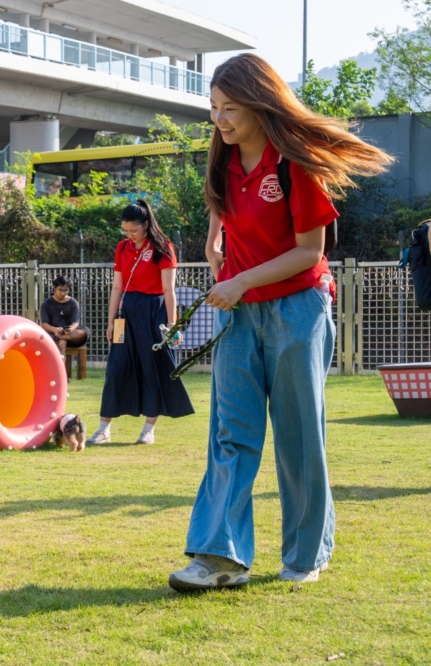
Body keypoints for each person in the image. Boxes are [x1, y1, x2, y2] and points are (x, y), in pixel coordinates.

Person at [168, 54, 392, 591]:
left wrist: (241, 281)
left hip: (298, 308)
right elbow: (222, 204)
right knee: (230, 433)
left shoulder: (296, 163)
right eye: (214, 108)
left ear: (260, 104)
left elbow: (309, 251)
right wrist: (214, 237)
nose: (220, 120)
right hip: (239, 314)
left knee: (298, 436)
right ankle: (218, 558)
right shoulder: (222, 160)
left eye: (231, 109)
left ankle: (306, 553)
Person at [88, 200, 194, 446]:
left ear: (146, 224)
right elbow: (117, 286)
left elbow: (169, 291)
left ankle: (148, 429)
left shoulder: (163, 248)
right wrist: (111, 321)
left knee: (152, 368)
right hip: (125, 315)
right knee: (115, 367)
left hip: (153, 312)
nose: (130, 235)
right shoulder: (123, 248)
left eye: (133, 230)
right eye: (125, 231)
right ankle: (104, 428)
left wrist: (172, 325)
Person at [39, 276, 89, 362]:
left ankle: (61, 336)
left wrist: (71, 329)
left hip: (70, 335)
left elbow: (75, 322)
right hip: (53, 334)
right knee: (61, 342)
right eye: (60, 290)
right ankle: (61, 372)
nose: (63, 293)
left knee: (84, 332)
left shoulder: (73, 303)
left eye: (65, 290)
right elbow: (44, 324)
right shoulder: (46, 304)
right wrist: (54, 330)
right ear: (54, 288)